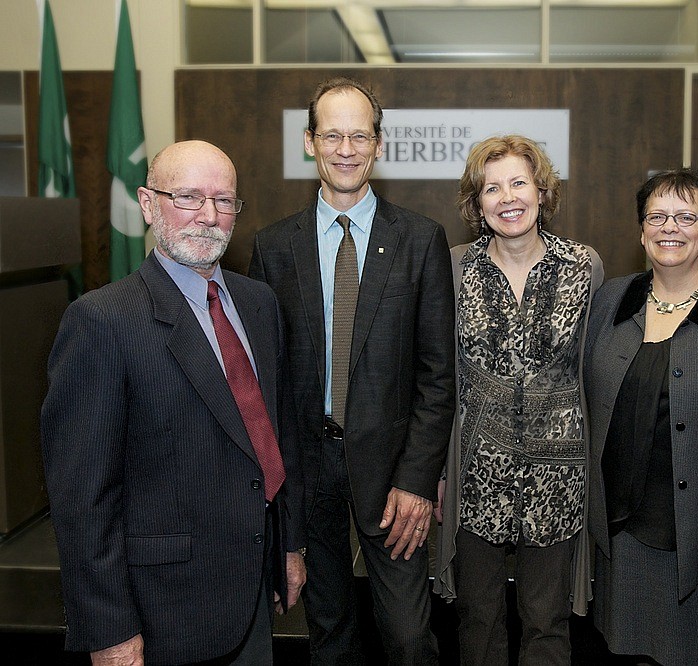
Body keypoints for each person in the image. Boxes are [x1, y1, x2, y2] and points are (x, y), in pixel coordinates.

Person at [40, 140, 305, 665]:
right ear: (146, 204)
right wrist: (109, 631)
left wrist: (287, 547)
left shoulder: (258, 303)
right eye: (188, 197)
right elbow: (82, 499)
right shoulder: (101, 322)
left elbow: (274, 433)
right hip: (162, 613)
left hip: (252, 591)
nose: (208, 215)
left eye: (224, 200)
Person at [248, 77, 454, 665]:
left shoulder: (420, 241)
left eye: (358, 135)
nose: (345, 148)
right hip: (308, 476)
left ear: (379, 145)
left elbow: (438, 377)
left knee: (410, 636)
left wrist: (418, 479)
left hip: (393, 477)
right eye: (331, 134)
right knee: (330, 634)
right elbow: (270, 381)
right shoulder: (272, 247)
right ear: (309, 142)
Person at [434, 134, 603, 665]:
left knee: (547, 622)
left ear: (541, 190)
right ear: (476, 202)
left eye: (519, 183)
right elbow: (437, 377)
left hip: (559, 476)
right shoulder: (452, 268)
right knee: (478, 619)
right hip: (476, 473)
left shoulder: (584, 266)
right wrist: (436, 470)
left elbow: (593, 368)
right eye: (492, 188)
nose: (507, 197)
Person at [584, 169, 698, 664]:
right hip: (621, 532)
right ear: (641, 231)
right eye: (657, 216)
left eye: (686, 217)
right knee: (624, 650)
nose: (670, 228)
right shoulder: (610, 302)